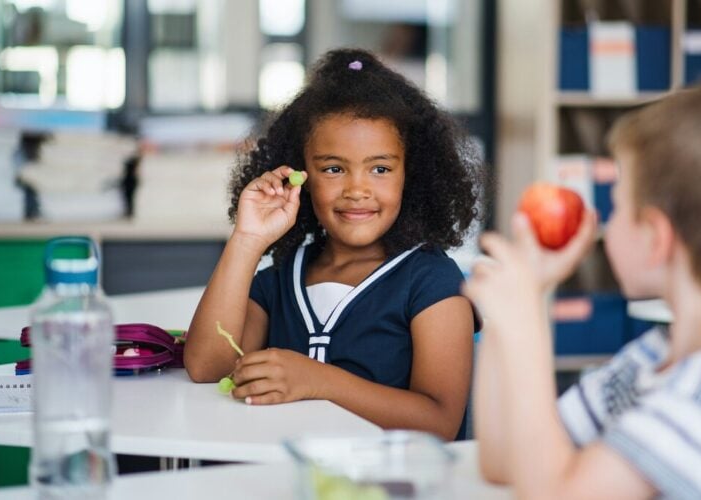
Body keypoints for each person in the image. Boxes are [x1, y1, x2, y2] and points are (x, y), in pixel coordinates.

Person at [463, 85, 701, 498]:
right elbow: (504, 459)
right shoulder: (652, 360)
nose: (605, 223)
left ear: (656, 238)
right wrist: (507, 318)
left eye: (615, 207)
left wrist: (525, 327)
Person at [184, 48, 481, 441]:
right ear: (299, 174)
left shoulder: (431, 281)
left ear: (412, 175)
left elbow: (439, 422)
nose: (357, 190)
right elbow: (207, 367)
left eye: (380, 169)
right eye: (334, 169)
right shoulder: (281, 279)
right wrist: (247, 239)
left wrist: (319, 381)